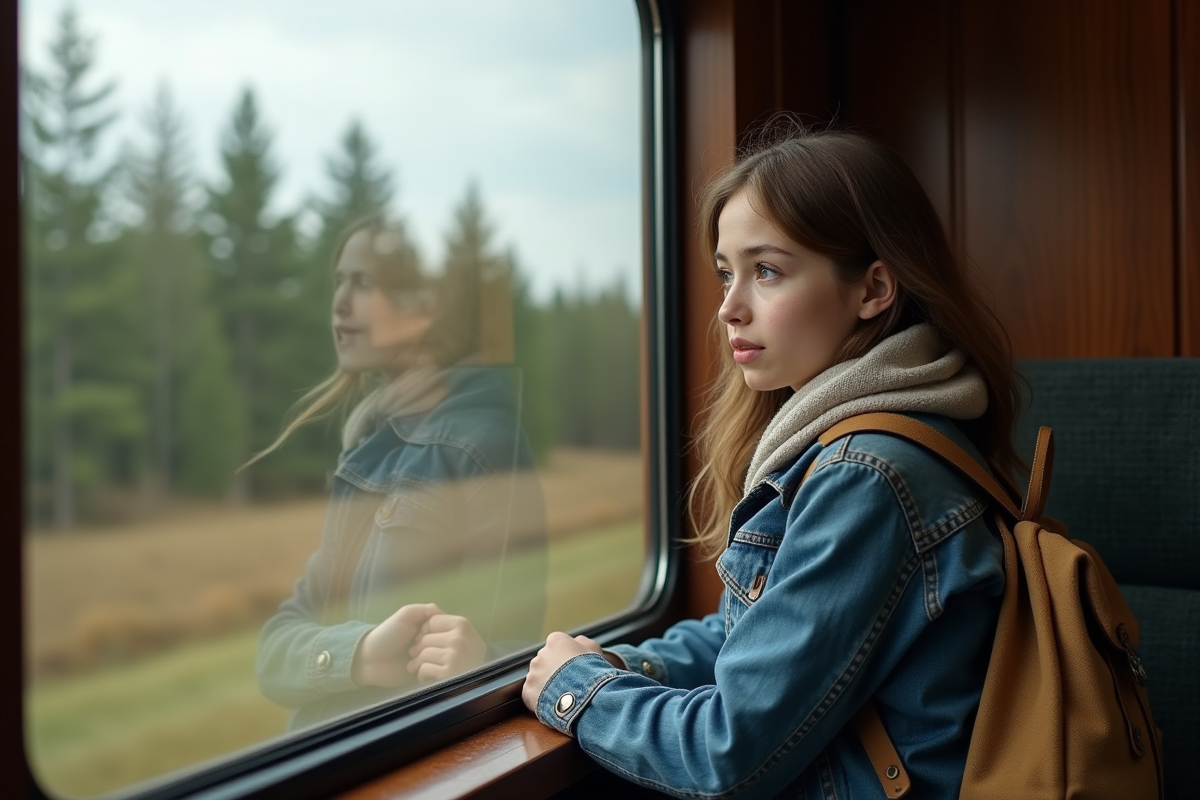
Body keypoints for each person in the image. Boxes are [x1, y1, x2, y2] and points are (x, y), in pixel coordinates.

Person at [522, 125, 1022, 799]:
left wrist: (576, 691)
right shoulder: (876, 441)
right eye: (727, 272)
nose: (729, 307)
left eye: (767, 271)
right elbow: (757, 630)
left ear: (873, 289)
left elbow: (727, 754)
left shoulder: (867, 475)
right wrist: (622, 658)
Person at [256, 215, 547, 731]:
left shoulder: (480, 448)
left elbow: (520, 662)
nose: (339, 303)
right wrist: (362, 653)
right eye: (338, 281)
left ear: (425, 305)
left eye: (363, 283)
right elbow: (272, 652)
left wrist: (477, 663)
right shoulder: (371, 448)